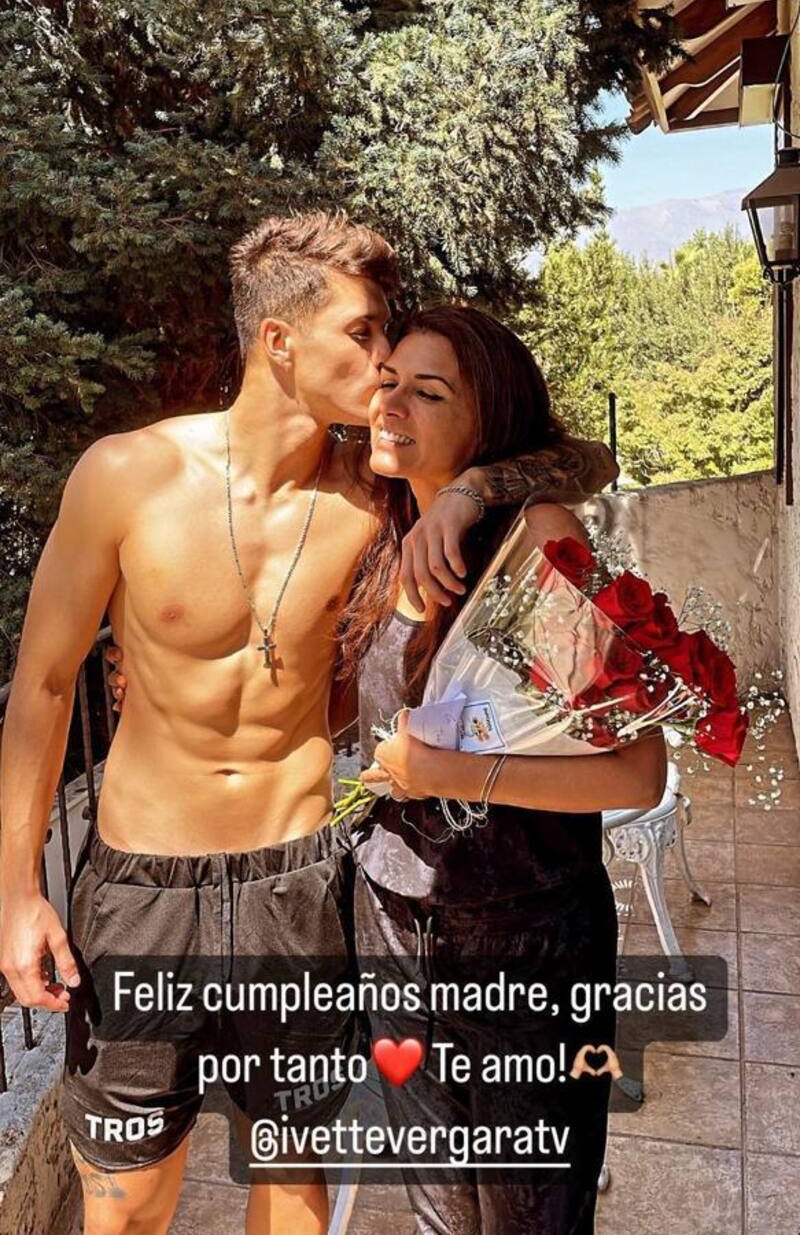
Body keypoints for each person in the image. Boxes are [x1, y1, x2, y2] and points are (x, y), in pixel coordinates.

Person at [0, 213, 617, 1235]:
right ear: (279, 340)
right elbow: (42, 687)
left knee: (292, 1171)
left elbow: (571, 459)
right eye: (365, 335)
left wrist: (468, 491)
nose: (384, 364)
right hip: (144, 885)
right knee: (126, 1195)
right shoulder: (126, 474)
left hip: (298, 878)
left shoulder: (377, 489)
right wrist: (18, 891)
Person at [334, 306, 667, 1234]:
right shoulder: (384, 525)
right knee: (441, 1213)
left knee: (532, 1214)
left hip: (524, 947)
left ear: (491, 420)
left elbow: (637, 770)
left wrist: (447, 772)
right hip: (395, 933)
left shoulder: (534, 540)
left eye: (429, 392)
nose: (391, 403)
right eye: (387, 381)